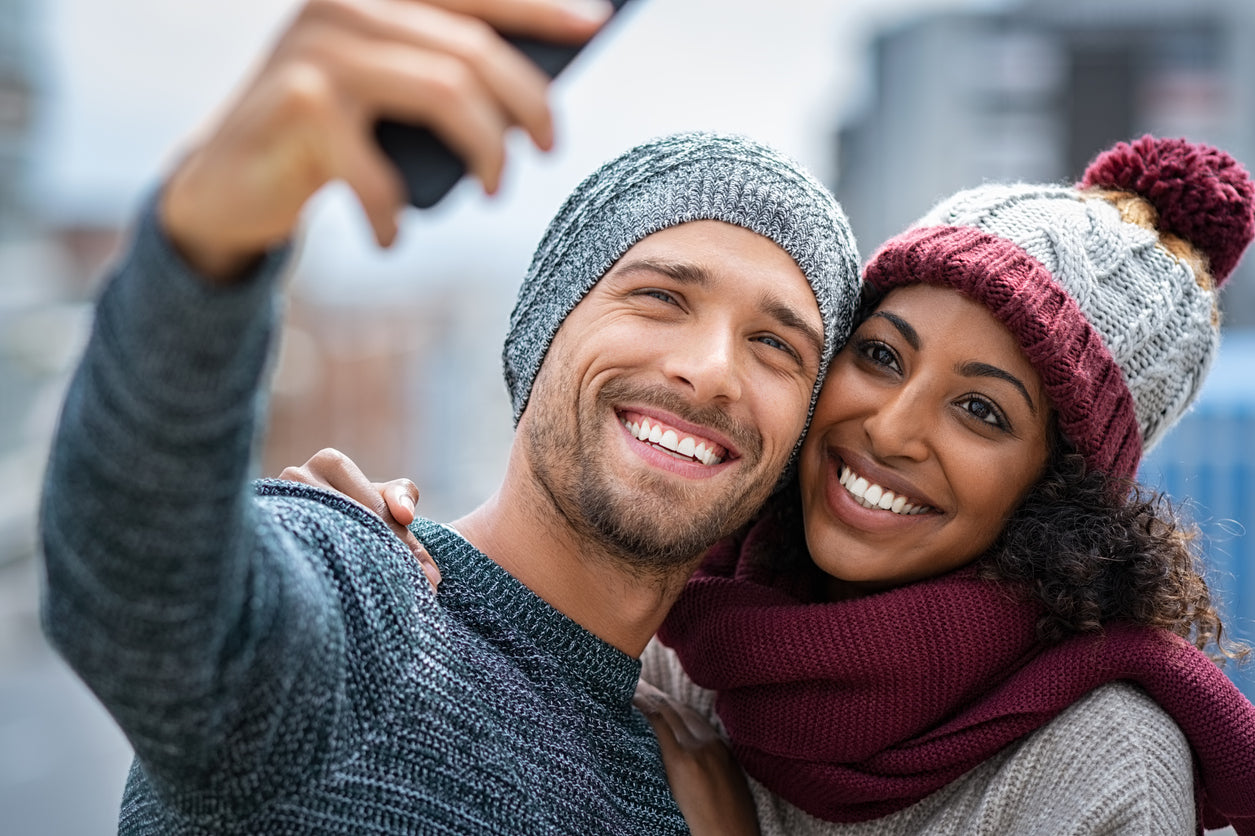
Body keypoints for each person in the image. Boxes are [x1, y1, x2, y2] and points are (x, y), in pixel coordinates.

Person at [36, 0, 862, 833]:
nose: (712, 368)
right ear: (543, 330)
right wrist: (211, 231)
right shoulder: (362, 597)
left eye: (774, 346)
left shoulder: (707, 777)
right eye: (658, 296)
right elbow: (137, 590)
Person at [306, 135, 1255, 835]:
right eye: (880, 355)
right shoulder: (694, 640)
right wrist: (369, 566)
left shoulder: (1103, 760)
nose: (889, 428)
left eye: (982, 412)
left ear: (1055, 497)